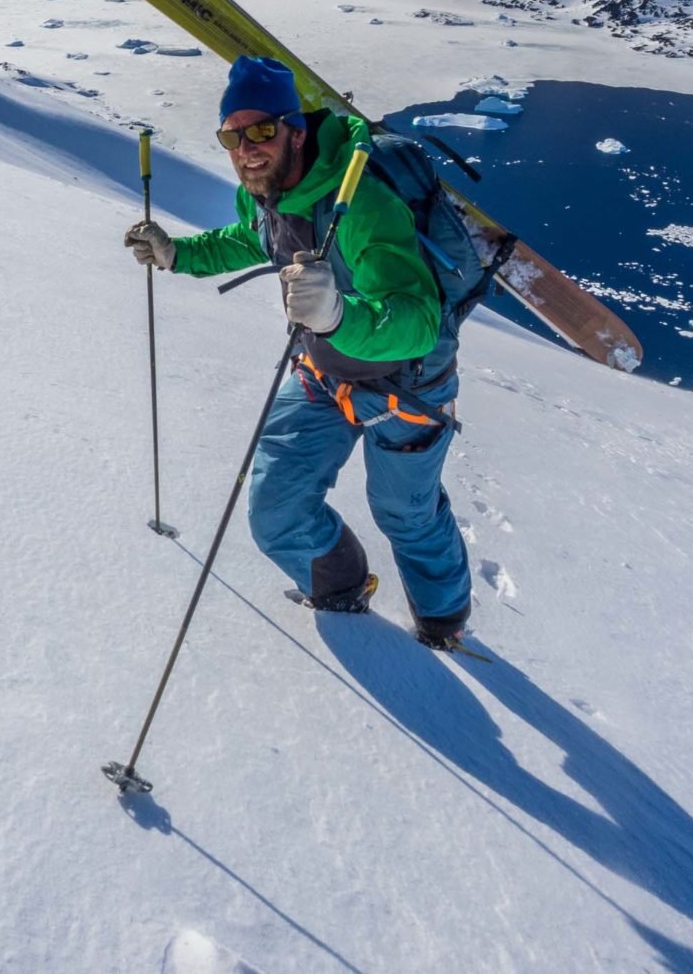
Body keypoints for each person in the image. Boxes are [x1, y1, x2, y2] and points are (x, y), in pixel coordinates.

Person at [124, 56, 472, 647]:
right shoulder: (263, 193)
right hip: (324, 374)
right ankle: (341, 591)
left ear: (297, 130)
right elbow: (251, 239)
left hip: (408, 386)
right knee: (275, 509)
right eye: (232, 136)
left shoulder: (361, 205)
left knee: (405, 514)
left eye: (261, 130)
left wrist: (336, 315)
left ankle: (445, 624)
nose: (246, 149)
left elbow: (417, 321)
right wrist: (178, 254)